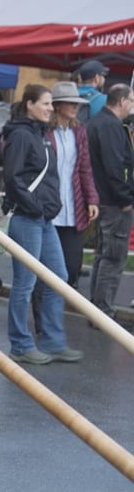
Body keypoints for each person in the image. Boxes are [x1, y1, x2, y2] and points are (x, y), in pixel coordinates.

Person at [2, 84, 83, 365]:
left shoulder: (40, 134)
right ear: (30, 105)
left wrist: (48, 208)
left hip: (43, 219)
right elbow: (13, 178)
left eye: (51, 104)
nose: (50, 108)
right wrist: (35, 207)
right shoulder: (22, 135)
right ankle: (20, 344)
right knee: (25, 284)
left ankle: (52, 340)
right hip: (27, 219)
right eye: (46, 104)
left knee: (57, 277)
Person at [30, 82, 99, 335]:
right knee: (43, 270)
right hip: (47, 209)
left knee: (70, 269)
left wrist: (92, 199)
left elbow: (85, 169)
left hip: (73, 209)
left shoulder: (79, 132)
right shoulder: (42, 132)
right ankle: (43, 323)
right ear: (56, 106)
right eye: (70, 103)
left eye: (77, 104)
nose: (75, 107)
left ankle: (51, 317)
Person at [87, 84, 134, 321]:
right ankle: (102, 313)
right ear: (123, 101)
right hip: (113, 202)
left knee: (104, 255)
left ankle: (97, 310)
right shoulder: (110, 126)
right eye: (132, 101)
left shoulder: (99, 122)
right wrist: (125, 199)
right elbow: (114, 168)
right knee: (113, 258)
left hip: (104, 199)